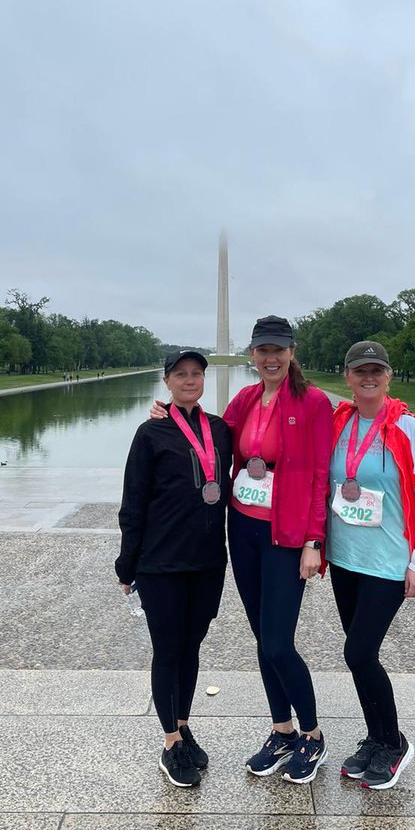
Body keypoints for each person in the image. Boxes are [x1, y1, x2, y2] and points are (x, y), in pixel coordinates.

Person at [153, 318, 333, 782]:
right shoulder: (247, 399)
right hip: (245, 530)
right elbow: (211, 436)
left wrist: (315, 541)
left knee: (278, 642)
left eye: (278, 349)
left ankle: (313, 737)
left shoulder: (312, 402)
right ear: (252, 354)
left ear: (292, 352)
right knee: (262, 641)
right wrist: (167, 418)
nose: (270, 358)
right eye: (262, 350)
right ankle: (283, 730)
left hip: (287, 535)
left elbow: (319, 476)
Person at [327, 341, 415, 790]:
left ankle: (394, 743)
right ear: (348, 377)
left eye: (376, 370)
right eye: (360, 371)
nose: (368, 377)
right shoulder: (338, 421)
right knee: (361, 656)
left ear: (389, 376)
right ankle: (376, 738)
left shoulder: (410, 427)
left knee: (358, 653)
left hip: (388, 561)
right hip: (345, 558)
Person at [116, 349, 233, 788]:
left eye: (196, 373)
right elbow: (134, 502)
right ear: (167, 381)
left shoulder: (220, 431)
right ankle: (169, 743)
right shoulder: (150, 433)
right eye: (180, 374)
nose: (189, 380)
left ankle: (183, 726)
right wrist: (126, 566)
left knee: (191, 647)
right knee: (167, 650)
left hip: (206, 561)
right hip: (160, 563)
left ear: (204, 379)